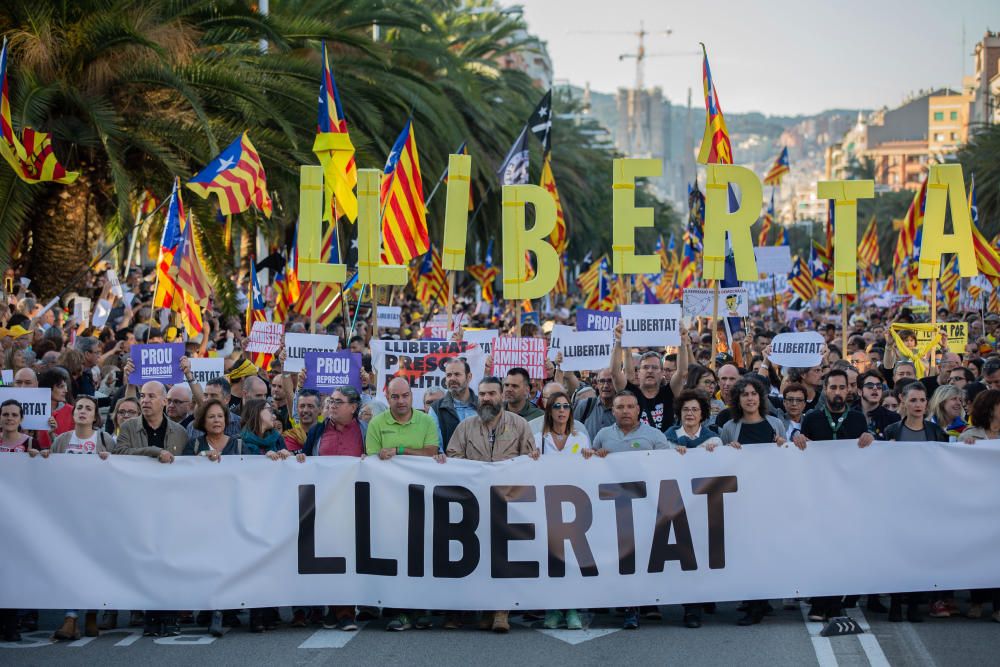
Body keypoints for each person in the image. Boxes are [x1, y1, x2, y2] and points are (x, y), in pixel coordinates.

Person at [446, 376, 535, 633]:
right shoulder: (465, 427)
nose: (486, 398)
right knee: (478, 557)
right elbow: (454, 459)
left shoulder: (519, 425)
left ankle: (500, 611)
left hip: (508, 502)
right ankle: (483, 609)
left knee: (502, 557)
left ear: (501, 396)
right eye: (482, 394)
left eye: (491, 394)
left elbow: (530, 460)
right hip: (473, 504)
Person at [584, 390, 676, 630]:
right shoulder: (603, 435)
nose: (625, 411)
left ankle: (639, 605)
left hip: (646, 507)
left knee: (641, 558)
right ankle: (624, 604)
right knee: (620, 558)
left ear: (638, 410)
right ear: (612, 411)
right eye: (620, 407)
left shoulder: (654, 436)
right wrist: (596, 456)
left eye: (629, 407)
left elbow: (669, 468)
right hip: (613, 507)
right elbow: (591, 466)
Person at [792, 370, 874, 621]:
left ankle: (836, 602)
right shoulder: (813, 418)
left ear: (848, 390)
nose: (838, 392)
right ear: (824, 390)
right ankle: (819, 602)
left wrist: (871, 438)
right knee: (820, 548)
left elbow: (867, 456)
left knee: (843, 548)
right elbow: (801, 453)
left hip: (848, 495)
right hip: (819, 494)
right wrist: (798, 438)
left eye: (842, 387)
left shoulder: (859, 419)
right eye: (833, 387)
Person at [865, 382, 947, 623]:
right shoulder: (891, 431)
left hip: (925, 503)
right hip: (897, 502)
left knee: (919, 555)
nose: (918, 405)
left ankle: (913, 604)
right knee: (898, 554)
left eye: (922, 400)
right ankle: (897, 603)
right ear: (903, 401)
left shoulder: (935, 432)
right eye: (913, 400)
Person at [365, 377, 440, 632]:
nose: (401, 401)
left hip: (422, 500)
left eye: (405, 396)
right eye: (395, 397)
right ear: (387, 398)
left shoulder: (426, 421)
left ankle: (420, 610)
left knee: (420, 555)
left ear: (412, 396)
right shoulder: (377, 424)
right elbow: (373, 461)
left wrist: (398, 450)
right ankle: (401, 612)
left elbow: (432, 453)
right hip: (390, 503)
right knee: (397, 555)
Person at [38, 395, 111, 640]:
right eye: (79, 407)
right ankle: (70, 617)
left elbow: (121, 470)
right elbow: (51, 472)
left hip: (98, 514)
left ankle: (91, 613)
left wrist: (109, 462)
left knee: (94, 565)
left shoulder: (104, 439)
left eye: (88, 408)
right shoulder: (62, 440)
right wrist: (45, 455)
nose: (82, 411)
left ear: (95, 416)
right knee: (72, 565)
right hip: (69, 515)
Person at [294, 386, 367, 631]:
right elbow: (304, 462)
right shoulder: (317, 431)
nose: (332, 405)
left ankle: (346, 612)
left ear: (353, 408)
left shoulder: (366, 431)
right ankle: (334, 610)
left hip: (355, 504)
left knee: (348, 556)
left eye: (339, 401)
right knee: (329, 556)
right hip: (324, 503)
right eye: (331, 401)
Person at [718, 376, 786, 627]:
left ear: (761, 397)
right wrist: (728, 451)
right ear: (738, 400)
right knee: (746, 551)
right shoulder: (730, 428)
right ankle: (755, 600)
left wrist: (784, 446)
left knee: (763, 550)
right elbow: (720, 464)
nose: (749, 398)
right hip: (741, 500)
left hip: (769, 498)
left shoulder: (775, 424)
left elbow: (788, 461)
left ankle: (759, 604)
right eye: (744, 394)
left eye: (753, 393)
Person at [959, 389, 1000, 622]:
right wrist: (967, 448)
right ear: (989, 409)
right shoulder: (971, 434)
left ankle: (997, 605)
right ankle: (976, 600)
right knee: (980, 554)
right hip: (977, 504)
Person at [611, 322, 689, 432]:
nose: (650, 371)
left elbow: (682, 372)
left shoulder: (669, 392)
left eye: (655, 367)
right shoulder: (630, 392)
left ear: (662, 372)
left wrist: (682, 343)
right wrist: (618, 342)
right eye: (646, 367)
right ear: (638, 372)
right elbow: (615, 373)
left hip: (665, 447)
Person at [429, 358, 479, 451]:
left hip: (479, 464)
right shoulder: (436, 409)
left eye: (457, 374)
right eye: (449, 375)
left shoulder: (482, 406)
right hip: (450, 464)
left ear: (469, 377)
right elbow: (436, 447)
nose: (452, 378)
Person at [534, 390, 590, 456]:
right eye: (557, 406)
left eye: (566, 406)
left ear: (570, 411)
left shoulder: (581, 438)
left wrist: (589, 454)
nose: (562, 410)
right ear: (549, 411)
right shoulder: (538, 439)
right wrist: (533, 456)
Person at [573, 367, 617, 441]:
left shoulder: (622, 409)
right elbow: (572, 431)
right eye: (602, 381)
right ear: (597, 384)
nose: (606, 385)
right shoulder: (585, 405)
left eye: (610, 381)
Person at [857, 370, 900, 440]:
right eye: (870, 386)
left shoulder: (893, 418)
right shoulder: (849, 416)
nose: (875, 388)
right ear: (860, 391)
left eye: (879, 386)